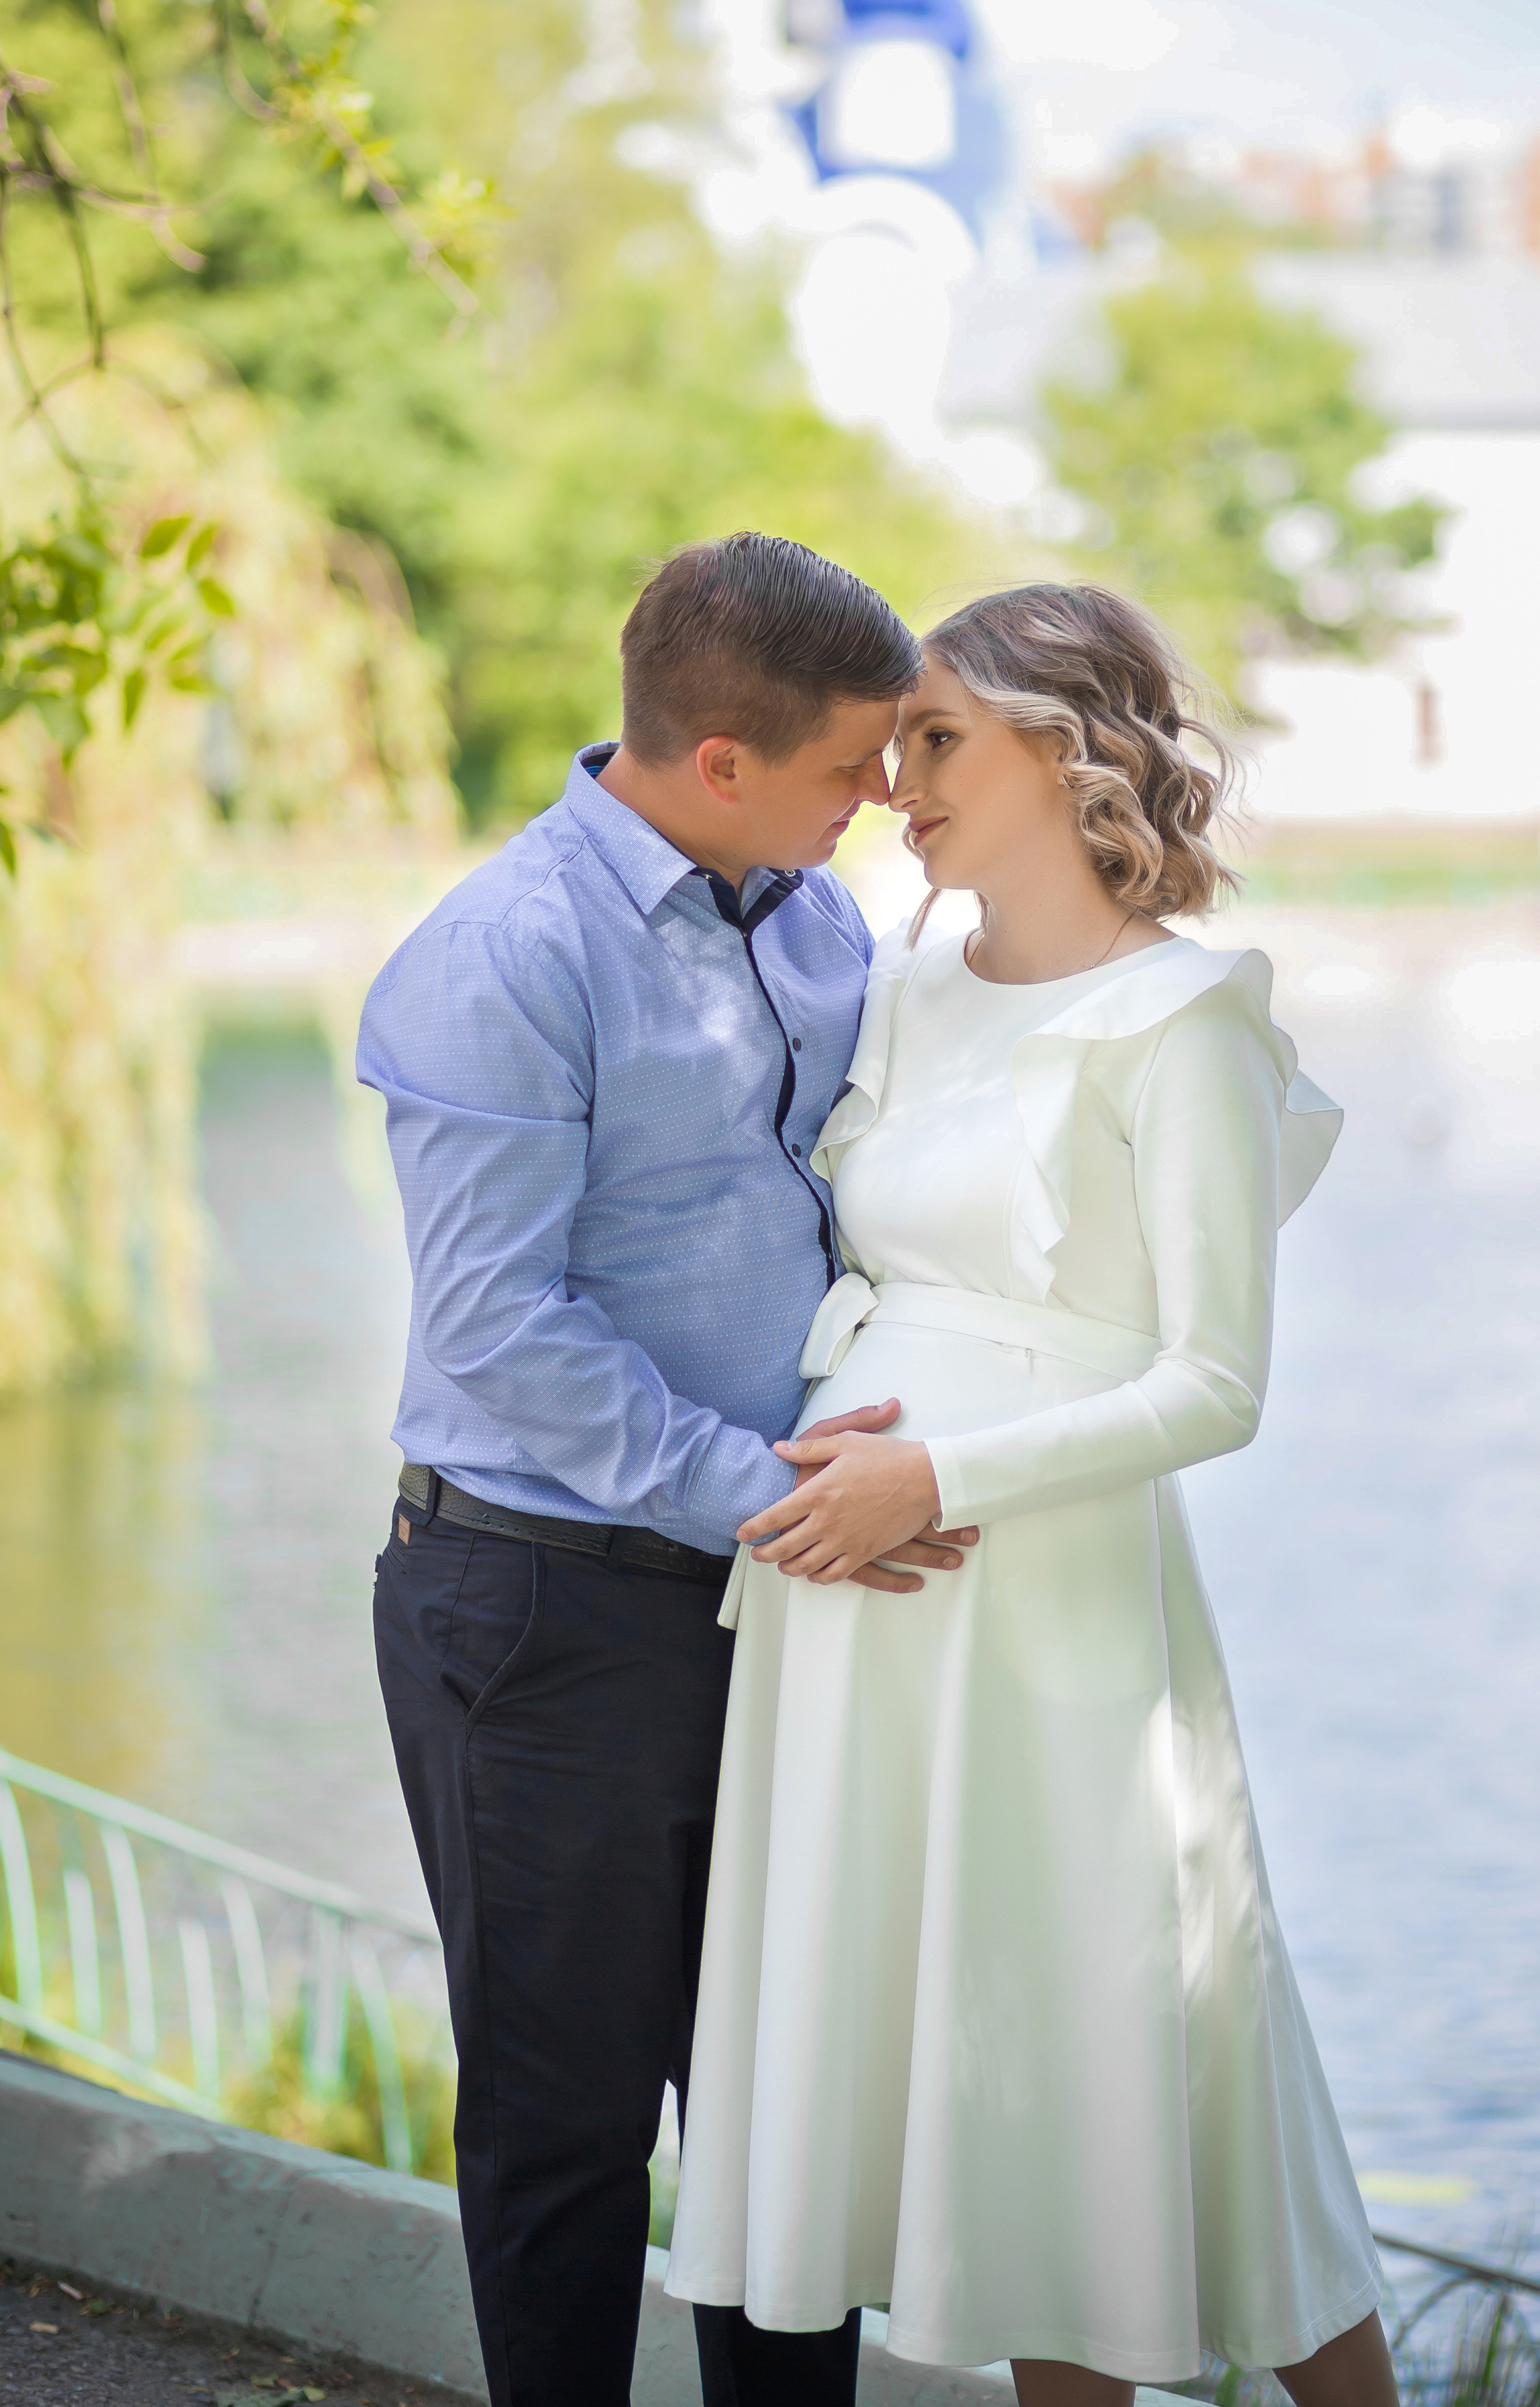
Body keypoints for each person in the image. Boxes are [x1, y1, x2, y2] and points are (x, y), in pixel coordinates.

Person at [666, 583, 1399, 2407]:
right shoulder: (897, 985)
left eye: (931, 739)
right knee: (977, 2108)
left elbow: (1213, 1384)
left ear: (1066, 756)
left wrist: (934, 1475)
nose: (888, 779)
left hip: (1050, 1613)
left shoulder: (1183, 1021)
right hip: (849, 1622)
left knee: (1123, 2061)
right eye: (892, 746)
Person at [359, 532, 977, 2407]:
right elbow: (505, 1333)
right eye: (854, 764)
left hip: (775, 1594)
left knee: (786, 2122)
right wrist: (771, 1502)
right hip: (541, 1614)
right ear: (722, 762)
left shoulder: (810, 914)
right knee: (565, 2140)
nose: (888, 795)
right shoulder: (500, 961)